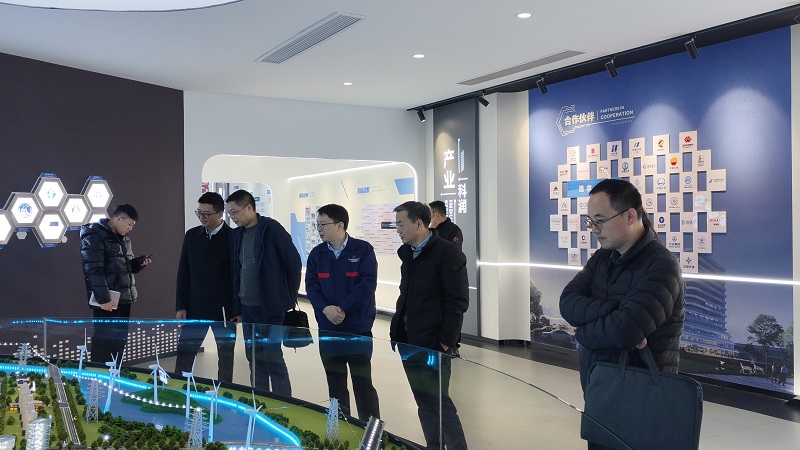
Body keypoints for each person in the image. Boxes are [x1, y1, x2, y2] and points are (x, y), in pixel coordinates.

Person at [559, 178, 685, 450]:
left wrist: (581, 332)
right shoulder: (602, 258)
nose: (594, 229)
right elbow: (567, 302)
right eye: (590, 221)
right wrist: (613, 309)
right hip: (600, 390)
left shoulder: (663, 266)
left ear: (630, 216)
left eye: (600, 220)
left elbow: (623, 330)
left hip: (643, 400)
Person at [389, 201, 469, 450]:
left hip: (434, 343)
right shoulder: (408, 253)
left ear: (419, 224)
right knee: (423, 402)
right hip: (408, 340)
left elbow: (457, 302)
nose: (398, 230)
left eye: (401, 224)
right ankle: (433, 446)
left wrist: (446, 342)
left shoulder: (448, 253)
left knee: (439, 403)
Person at [305, 204, 380, 421]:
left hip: (358, 329)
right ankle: (339, 428)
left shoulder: (363, 250)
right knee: (335, 385)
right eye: (317, 225)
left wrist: (342, 309)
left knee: (363, 384)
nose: (319, 229)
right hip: (328, 329)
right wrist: (326, 309)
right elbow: (312, 287)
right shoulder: (317, 254)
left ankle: (370, 431)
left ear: (340, 225)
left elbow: (366, 285)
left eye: (323, 224)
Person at [227, 189, 301, 397]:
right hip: (247, 306)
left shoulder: (271, 229)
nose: (232, 217)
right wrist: (237, 308)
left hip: (270, 308)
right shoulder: (237, 235)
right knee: (253, 357)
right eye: (229, 213)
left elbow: (293, 263)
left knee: (272, 356)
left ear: (249, 208)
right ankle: (259, 399)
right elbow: (236, 271)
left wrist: (286, 297)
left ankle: (282, 401)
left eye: (235, 212)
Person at [174, 192, 235, 382]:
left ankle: (224, 392)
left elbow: (237, 277)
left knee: (226, 358)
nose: (201, 217)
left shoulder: (233, 237)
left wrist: (238, 310)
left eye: (206, 214)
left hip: (224, 310)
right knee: (185, 354)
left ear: (220, 214)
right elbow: (183, 272)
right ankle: (178, 389)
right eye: (199, 213)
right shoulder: (192, 235)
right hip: (195, 307)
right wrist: (181, 305)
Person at [81, 204, 152, 363]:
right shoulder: (94, 236)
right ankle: (100, 376)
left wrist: (139, 263)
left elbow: (126, 267)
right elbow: (94, 271)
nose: (130, 229)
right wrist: (104, 299)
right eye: (129, 225)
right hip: (107, 302)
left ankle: (115, 373)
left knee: (119, 342)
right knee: (104, 343)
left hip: (124, 300)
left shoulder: (125, 239)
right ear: (119, 218)